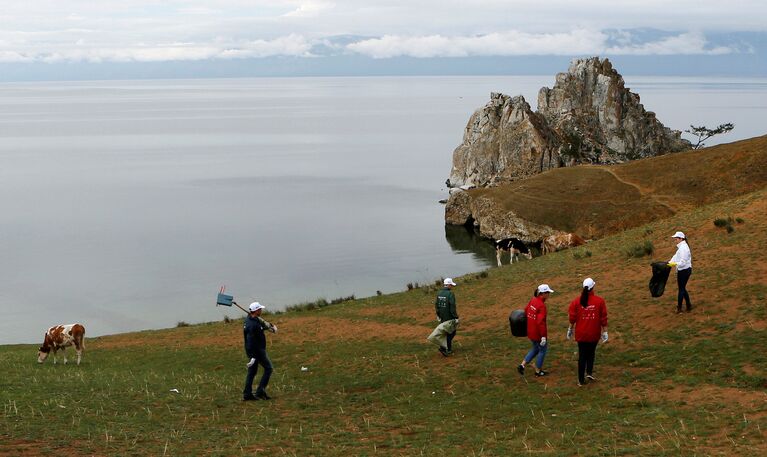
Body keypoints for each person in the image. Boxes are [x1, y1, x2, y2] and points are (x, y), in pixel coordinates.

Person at [567, 278, 608, 386]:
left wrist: (570, 329)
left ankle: (580, 380)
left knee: (582, 356)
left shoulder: (576, 302)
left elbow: (572, 318)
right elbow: (603, 319)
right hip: (594, 333)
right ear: (593, 287)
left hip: (581, 334)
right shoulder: (599, 301)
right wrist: (605, 332)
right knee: (591, 353)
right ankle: (589, 372)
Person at [242, 302, 278, 401]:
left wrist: (270, 326)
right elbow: (251, 341)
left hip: (253, 351)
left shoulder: (250, 319)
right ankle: (260, 392)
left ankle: (247, 394)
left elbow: (260, 323)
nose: (261, 310)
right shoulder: (253, 325)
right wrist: (253, 357)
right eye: (260, 309)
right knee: (268, 368)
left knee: (252, 372)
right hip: (257, 351)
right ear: (256, 310)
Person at [518, 284, 553, 377]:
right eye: (548, 292)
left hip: (530, 331)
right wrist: (543, 337)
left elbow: (526, 310)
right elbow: (540, 322)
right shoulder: (542, 306)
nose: (549, 294)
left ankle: (522, 365)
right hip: (538, 333)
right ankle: (538, 370)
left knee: (535, 348)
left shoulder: (533, 300)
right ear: (543, 293)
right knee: (542, 350)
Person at [427, 278, 459, 356]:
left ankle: (446, 348)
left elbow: (436, 305)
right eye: (451, 285)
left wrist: (438, 315)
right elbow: (452, 306)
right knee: (451, 332)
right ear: (448, 285)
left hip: (442, 317)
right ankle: (445, 348)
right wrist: (456, 317)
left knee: (446, 332)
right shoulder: (450, 294)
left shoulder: (439, 293)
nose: (452, 286)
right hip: (449, 317)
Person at [669, 231, 693, 313]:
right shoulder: (681, 247)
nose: (675, 240)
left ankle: (679, 308)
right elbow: (675, 256)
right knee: (682, 288)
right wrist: (669, 263)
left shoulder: (683, 248)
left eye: (676, 238)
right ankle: (688, 305)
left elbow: (682, 262)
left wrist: (674, 264)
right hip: (684, 270)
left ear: (681, 239)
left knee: (681, 289)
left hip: (684, 271)